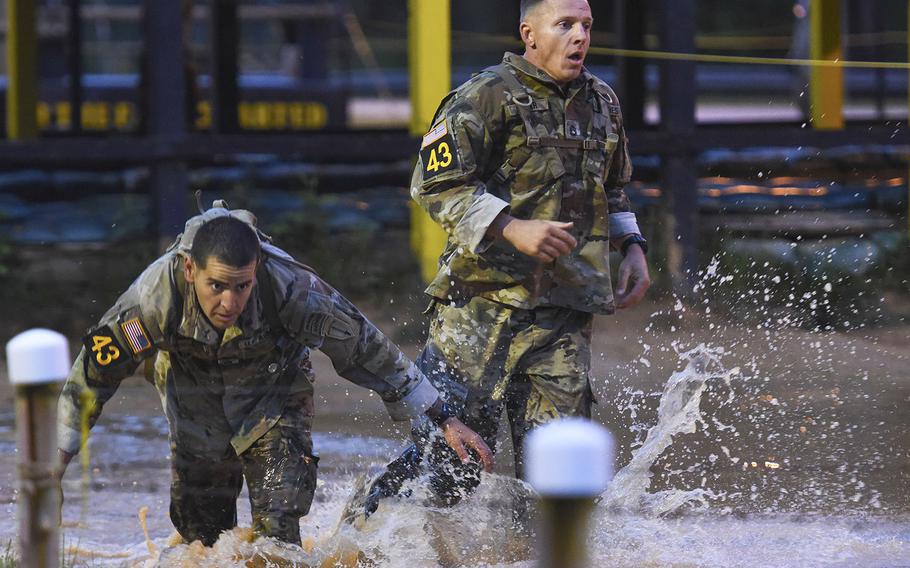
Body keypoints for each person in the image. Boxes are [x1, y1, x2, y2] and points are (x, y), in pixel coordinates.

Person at [55, 204, 493, 547]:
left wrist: (442, 418)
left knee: (279, 528)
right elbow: (91, 378)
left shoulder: (292, 288)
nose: (230, 302)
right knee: (202, 539)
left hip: (276, 392)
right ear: (191, 271)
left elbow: (367, 348)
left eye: (242, 286)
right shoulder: (152, 301)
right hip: (192, 395)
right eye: (217, 286)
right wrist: (51, 472)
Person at [362, 0, 650, 511]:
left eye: (586, 25)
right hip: (479, 312)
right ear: (530, 33)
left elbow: (615, 188)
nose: (579, 36)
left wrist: (632, 247)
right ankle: (361, 538)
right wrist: (511, 227)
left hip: (563, 318)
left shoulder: (603, 100)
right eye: (564, 25)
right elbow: (435, 186)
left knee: (562, 482)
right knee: (448, 476)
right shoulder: (484, 96)